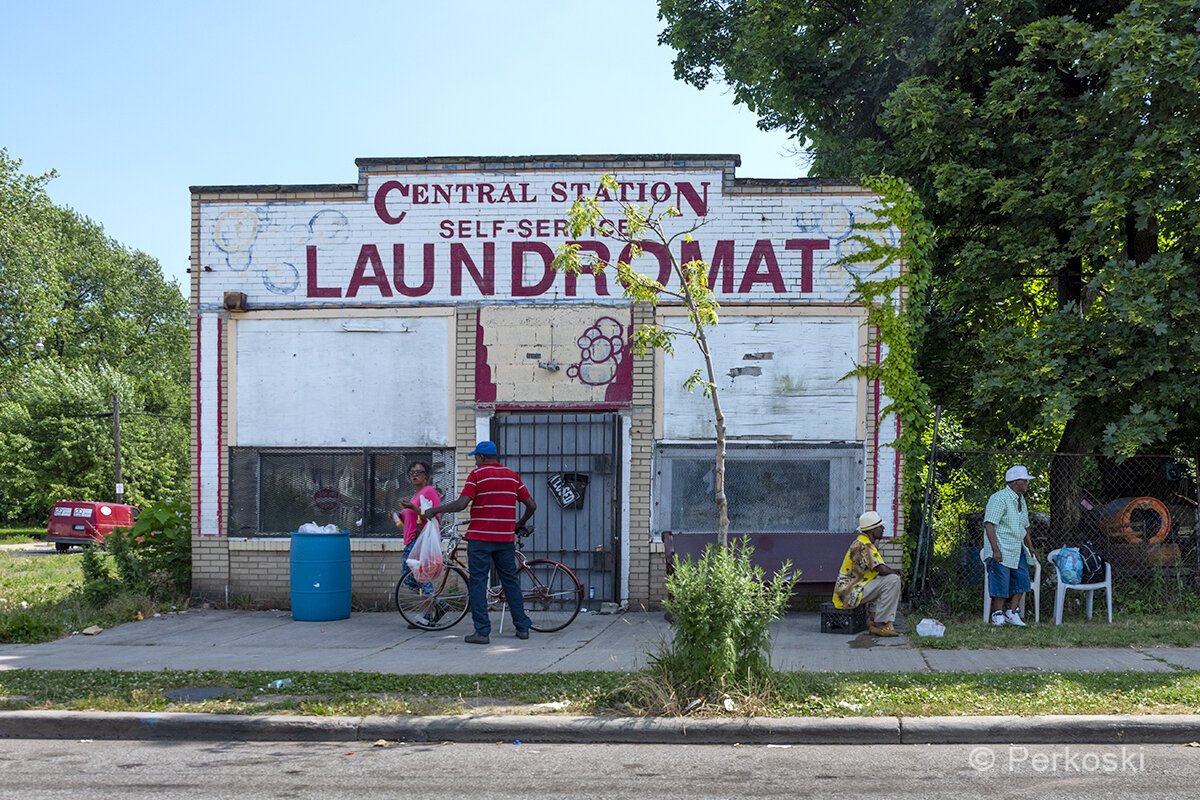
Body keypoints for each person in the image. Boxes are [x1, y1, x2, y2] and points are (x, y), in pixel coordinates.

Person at [421, 441, 536, 644]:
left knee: (478, 584)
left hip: (481, 540)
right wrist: (520, 523)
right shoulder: (512, 476)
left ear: (481, 457)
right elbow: (531, 505)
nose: (475, 461)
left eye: (476, 457)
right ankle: (522, 627)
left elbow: (462, 504)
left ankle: (482, 633)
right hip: (505, 539)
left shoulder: (477, 475)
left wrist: (436, 510)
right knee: (510, 582)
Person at [981, 465, 1039, 627]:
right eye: (1024, 480)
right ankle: (997, 614)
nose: (1027, 483)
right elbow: (989, 524)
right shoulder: (999, 498)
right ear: (1015, 482)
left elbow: (1025, 526)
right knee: (1001, 580)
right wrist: (995, 550)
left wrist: (1031, 547)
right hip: (1001, 547)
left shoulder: (1021, 499)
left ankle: (1011, 613)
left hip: (1017, 546)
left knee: (1023, 580)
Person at [832, 510, 903, 637]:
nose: (883, 528)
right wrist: (897, 574)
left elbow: (877, 569)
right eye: (880, 526)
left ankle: (873, 619)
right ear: (872, 530)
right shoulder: (864, 545)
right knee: (893, 580)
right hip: (849, 594)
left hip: (847, 592)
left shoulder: (861, 542)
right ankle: (880, 624)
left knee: (886, 580)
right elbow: (881, 569)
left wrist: (893, 572)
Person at [391, 460, 442, 629]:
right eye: (411, 473)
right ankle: (436, 608)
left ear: (426, 475)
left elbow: (431, 516)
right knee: (416, 578)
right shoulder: (417, 494)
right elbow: (412, 519)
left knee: (417, 577)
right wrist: (399, 516)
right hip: (412, 540)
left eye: (418, 472)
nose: (414, 475)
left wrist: (412, 507)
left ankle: (430, 613)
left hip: (420, 541)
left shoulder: (429, 492)